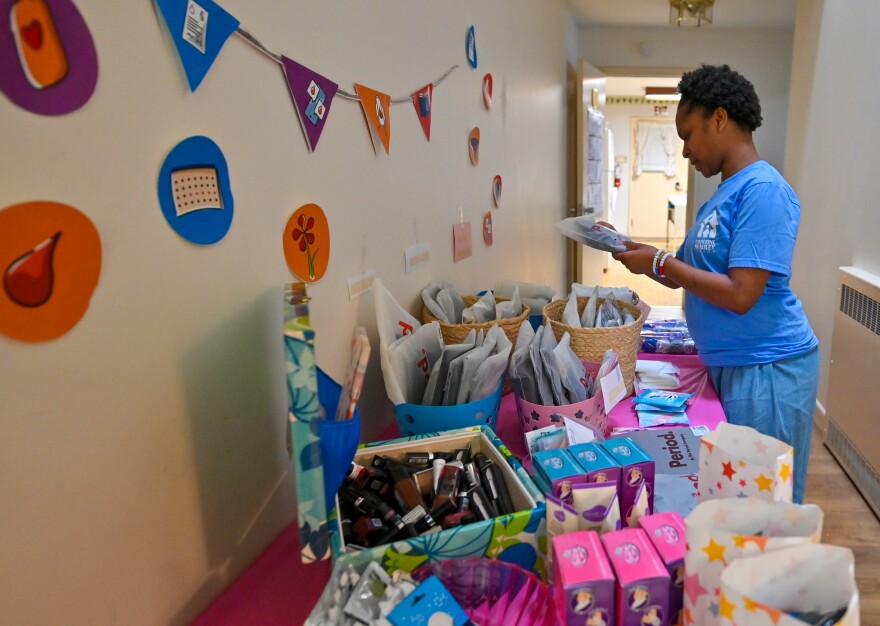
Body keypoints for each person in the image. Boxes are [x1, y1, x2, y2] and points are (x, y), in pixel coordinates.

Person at [610, 64, 819, 504]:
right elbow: (687, 272)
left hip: (767, 368)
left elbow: (741, 294)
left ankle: (765, 572)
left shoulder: (764, 191)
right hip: (731, 363)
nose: (685, 151)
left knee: (764, 505)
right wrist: (630, 248)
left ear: (719, 119)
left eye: (687, 134)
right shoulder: (722, 194)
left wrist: (662, 261)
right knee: (734, 496)